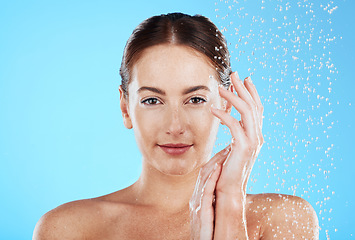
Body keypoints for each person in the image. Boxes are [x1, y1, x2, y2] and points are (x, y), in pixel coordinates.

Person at [33, 13, 319, 239]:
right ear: (125, 108)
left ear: (227, 104)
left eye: (195, 99)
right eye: (152, 100)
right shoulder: (68, 230)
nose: (175, 126)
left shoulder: (284, 219)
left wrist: (231, 203)